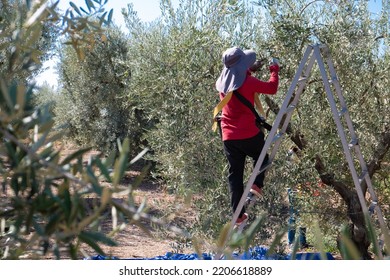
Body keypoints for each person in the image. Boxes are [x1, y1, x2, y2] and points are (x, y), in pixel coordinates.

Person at [215, 47, 280, 226]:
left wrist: (249, 69)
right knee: (263, 158)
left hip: (228, 136)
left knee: (235, 175)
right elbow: (272, 88)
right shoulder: (249, 82)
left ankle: (237, 215)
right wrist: (274, 70)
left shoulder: (223, 84)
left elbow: (236, 79)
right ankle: (257, 185)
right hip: (248, 133)